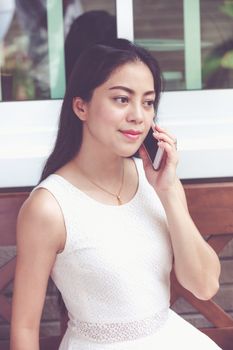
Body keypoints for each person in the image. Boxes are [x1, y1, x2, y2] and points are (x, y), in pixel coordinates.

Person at [10, 38, 221, 349]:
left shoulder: (159, 181)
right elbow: (25, 329)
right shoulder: (49, 207)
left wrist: (168, 194)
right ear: (81, 106)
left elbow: (204, 286)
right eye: (122, 99)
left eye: (148, 102)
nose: (138, 115)